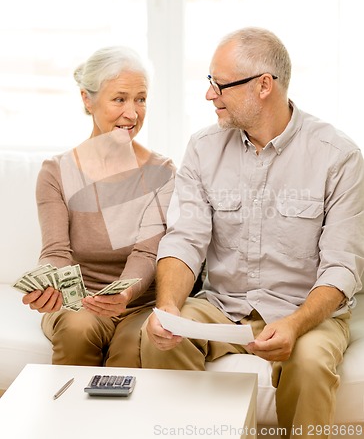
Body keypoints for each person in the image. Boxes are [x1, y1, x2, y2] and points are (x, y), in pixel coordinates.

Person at [141, 27, 364, 438]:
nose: (210, 95)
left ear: (264, 86)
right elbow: (184, 239)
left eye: (220, 84)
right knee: (159, 334)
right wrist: (169, 305)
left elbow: (342, 267)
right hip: (223, 306)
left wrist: (295, 324)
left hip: (305, 313)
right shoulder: (203, 148)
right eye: (210, 83)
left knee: (312, 363)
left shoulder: (339, 157)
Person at [22, 46, 175, 367]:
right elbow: (55, 251)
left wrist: (124, 296)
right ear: (87, 100)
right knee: (79, 330)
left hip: (139, 302)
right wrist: (50, 284)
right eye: (119, 99)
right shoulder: (56, 171)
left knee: (135, 347)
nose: (132, 114)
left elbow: (147, 253)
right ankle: (67, 417)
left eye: (141, 99)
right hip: (76, 300)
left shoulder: (162, 172)